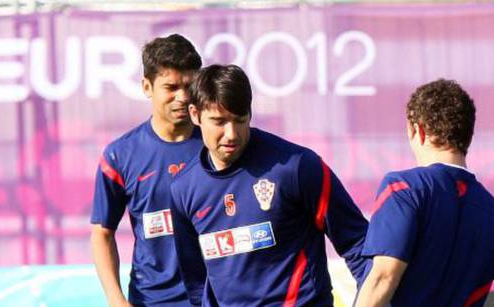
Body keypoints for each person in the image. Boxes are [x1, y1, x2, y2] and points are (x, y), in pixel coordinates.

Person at [169, 64, 368, 306]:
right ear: (194, 114)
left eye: (239, 120)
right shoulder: (183, 189)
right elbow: (196, 281)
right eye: (219, 121)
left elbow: (358, 245)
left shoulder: (297, 167)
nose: (231, 134)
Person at [355, 79, 494, 307]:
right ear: (467, 135)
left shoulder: (403, 188)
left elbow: (382, 278)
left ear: (417, 130)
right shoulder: (490, 210)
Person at [90, 34, 203, 307]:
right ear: (147, 87)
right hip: (151, 301)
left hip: (215, 299)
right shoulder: (120, 155)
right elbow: (102, 233)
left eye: (190, 85)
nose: (183, 97)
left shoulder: (219, 145)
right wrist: (116, 299)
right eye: (171, 87)